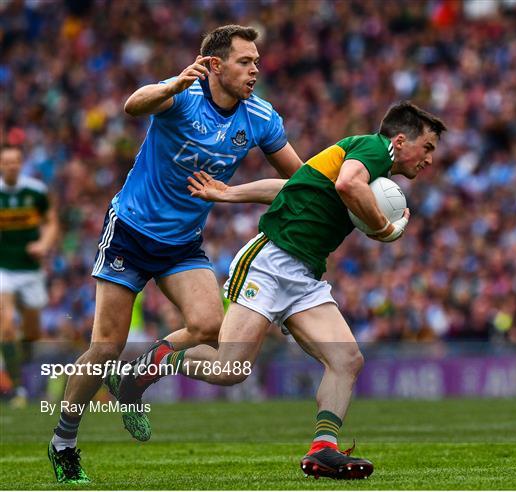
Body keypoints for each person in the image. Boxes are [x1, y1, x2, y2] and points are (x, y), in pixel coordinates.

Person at [113, 101, 447, 480]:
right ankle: (152, 363)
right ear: (401, 141)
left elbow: (293, 185)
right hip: (270, 263)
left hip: (305, 277)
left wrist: (229, 194)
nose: (430, 159)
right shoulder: (374, 149)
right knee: (230, 369)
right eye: (429, 147)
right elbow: (347, 184)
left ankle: (323, 449)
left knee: (347, 360)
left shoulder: (371, 167)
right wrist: (386, 231)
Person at [47, 25, 302, 484]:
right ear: (215, 65)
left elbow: (300, 183)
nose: (255, 70)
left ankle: (137, 378)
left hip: (182, 242)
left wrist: (236, 193)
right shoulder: (183, 94)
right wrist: (171, 84)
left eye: (257, 62)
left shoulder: (261, 117)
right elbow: (133, 104)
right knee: (106, 346)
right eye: (245, 62)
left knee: (209, 325)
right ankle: (64, 440)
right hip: (130, 231)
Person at [0, 144, 58, 408]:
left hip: (31, 270)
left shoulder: (35, 192)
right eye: (6, 162)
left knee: (32, 333)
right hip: (4, 269)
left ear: (21, 164)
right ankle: (17, 389)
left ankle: (18, 369)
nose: (11, 166)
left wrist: (44, 244)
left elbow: (51, 222)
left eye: (15, 161)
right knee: (7, 326)